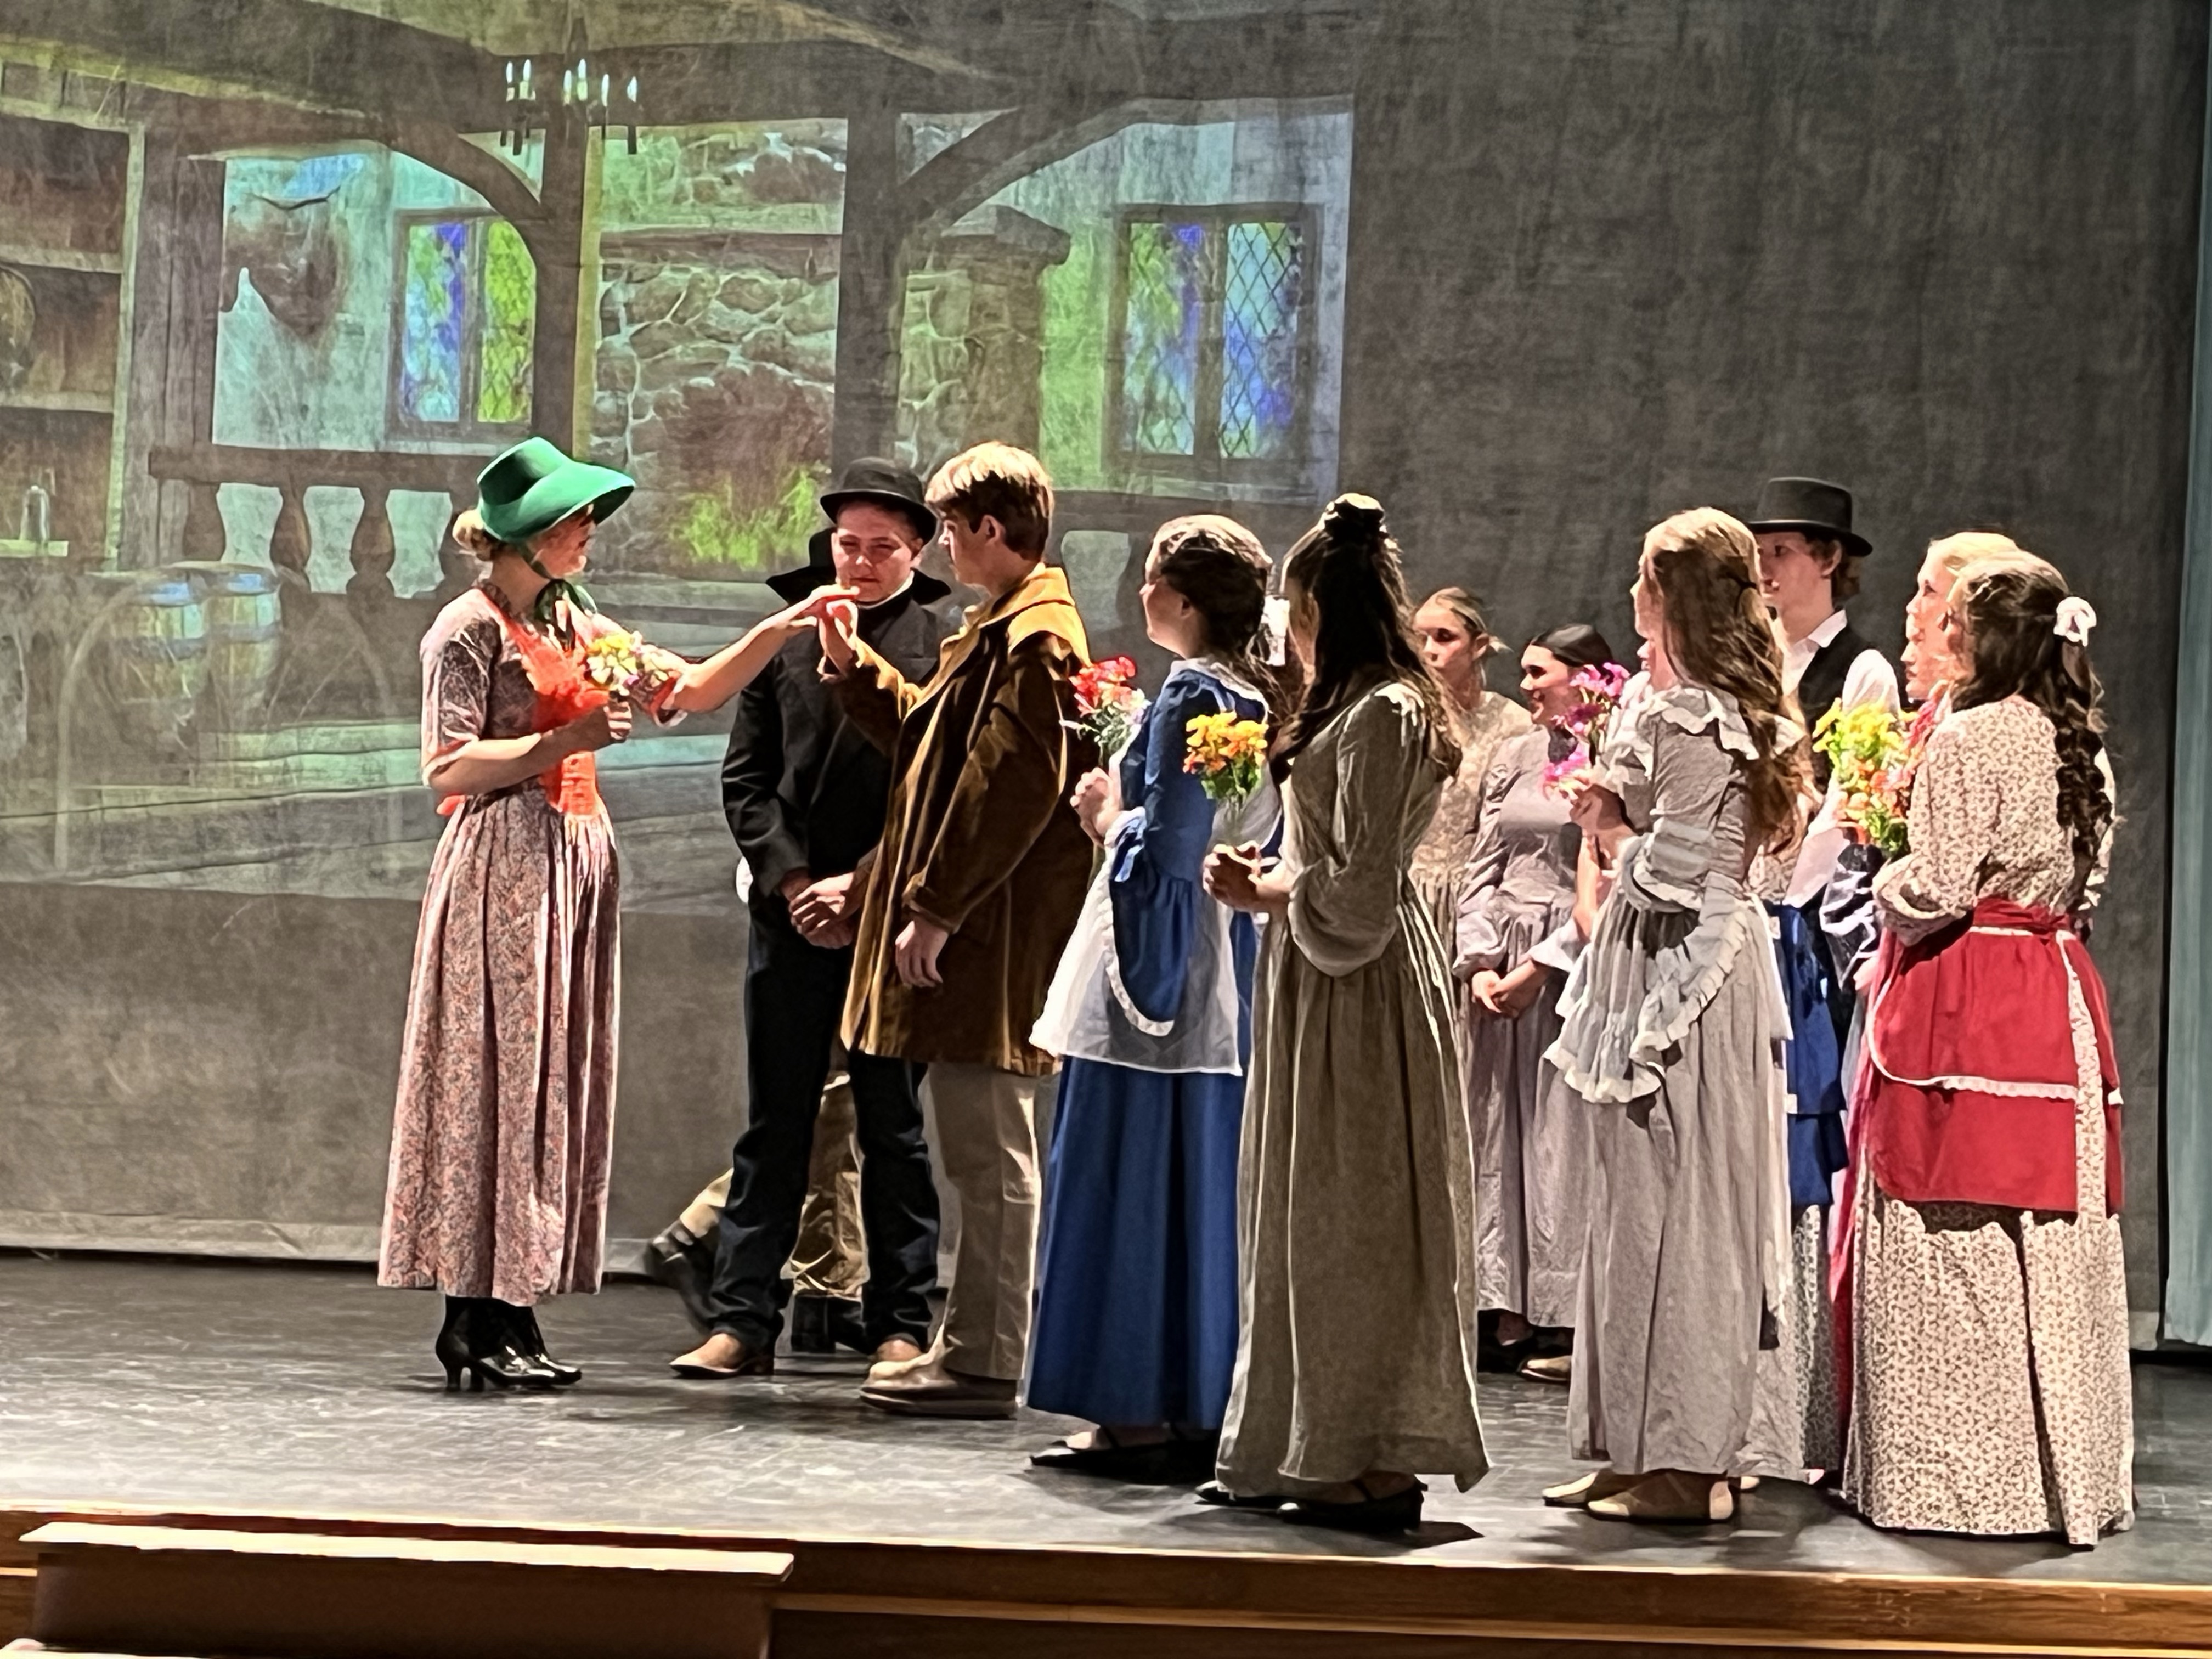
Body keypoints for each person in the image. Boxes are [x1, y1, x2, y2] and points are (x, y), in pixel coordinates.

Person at [378, 437, 843, 1390]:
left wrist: (782, 628)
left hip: (574, 859)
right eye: (576, 518)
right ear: (532, 533)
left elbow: (686, 689)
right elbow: (448, 767)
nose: (590, 529)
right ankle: (475, 1312)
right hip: (505, 863)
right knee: (496, 1081)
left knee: (548, 1078)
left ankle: (512, 1307)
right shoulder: (466, 630)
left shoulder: (575, 617)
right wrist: (569, 737)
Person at [1202, 493, 1484, 1535]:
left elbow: (1360, 893)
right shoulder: (1352, 703)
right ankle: (1301, 1439)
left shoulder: (1389, 712)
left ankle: (1365, 1454)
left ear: (1324, 606)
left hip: (1360, 987)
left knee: (1354, 1212)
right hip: (1316, 977)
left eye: (1298, 607)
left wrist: (1272, 888)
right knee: (1308, 1206)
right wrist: (1275, 877)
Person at [1842, 555, 2130, 1545]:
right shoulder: (2080, 746)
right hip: (2057, 996)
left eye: (1959, 619)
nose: (1946, 633)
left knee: (1950, 1226)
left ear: (1989, 638)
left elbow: (1939, 885)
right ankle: (2065, 1479)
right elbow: (2086, 891)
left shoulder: (1968, 737)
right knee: (2049, 1228)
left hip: (1968, 994)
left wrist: (1884, 882)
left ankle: (1959, 1484)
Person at [818, 441, 1094, 1419]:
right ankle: (972, 1341)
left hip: (993, 933)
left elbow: (1006, 787)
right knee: (978, 1147)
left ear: (989, 527)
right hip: (980, 926)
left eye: (946, 527)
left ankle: (985, 1357)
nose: (941, 545)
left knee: (991, 1148)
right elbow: (936, 750)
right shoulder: (1002, 627)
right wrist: (854, 669)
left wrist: (935, 906)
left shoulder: (1036, 638)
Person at [669, 460, 960, 1383]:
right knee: (776, 1122)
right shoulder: (788, 636)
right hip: (789, 913)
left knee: (892, 1127)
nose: (861, 562)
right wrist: (794, 878)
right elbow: (747, 777)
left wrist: (859, 888)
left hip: (885, 914)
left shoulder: (943, 643)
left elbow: (936, 793)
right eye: (848, 544)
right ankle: (741, 1320)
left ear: (917, 552)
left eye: (882, 547)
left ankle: (901, 1322)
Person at [1543, 507, 1806, 1523]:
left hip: (1684, 977)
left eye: (1644, 577)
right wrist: (1613, 816)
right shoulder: (1685, 703)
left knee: (1682, 1211)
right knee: (1634, 1210)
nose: (1630, 592)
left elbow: (1692, 869)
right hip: (1664, 964)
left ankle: (1689, 1465)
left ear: (1676, 594)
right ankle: (1633, 1446)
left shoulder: (1693, 712)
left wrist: (1614, 831)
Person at [1026, 516, 1286, 1480]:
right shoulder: (1259, 692)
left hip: (1161, 960)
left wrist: (1108, 818)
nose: (1141, 592)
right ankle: (1196, 1394)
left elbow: (1172, 845)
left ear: (1178, 597)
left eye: (1149, 576)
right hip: (1228, 955)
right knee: (1202, 1177)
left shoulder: (1193, 694)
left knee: (1125, 1168)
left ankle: (1134, 1407)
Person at [1459, 624, 1615, 1382]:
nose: (1525, 687)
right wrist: (1480, 959)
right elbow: (1482, 862)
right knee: (1497, 1135)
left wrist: (1538, 969)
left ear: (1584, 679)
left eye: (1539, 673)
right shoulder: (1515, 755)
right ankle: (1502, 1305)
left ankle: (1562, 1313)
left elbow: (1605, 883)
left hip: (1564, 961)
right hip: (1502, 956)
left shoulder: (1609, 758)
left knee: (1558, 1137)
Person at [1409, 586, 1531, 946]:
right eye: (1420, 638)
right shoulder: (1401, 716)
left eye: (1444, 637)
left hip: (1477, 899)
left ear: (1478, 646)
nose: (1429, 650)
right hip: (1403, 891)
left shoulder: (1513, 724)